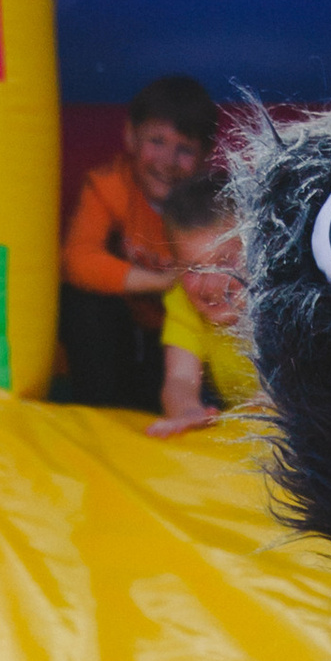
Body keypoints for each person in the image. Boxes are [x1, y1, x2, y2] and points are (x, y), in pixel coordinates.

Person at [59, 74, 218, 410]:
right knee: (81, 300)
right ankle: (98, 411)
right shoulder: (110, 186)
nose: (168, 161)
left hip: (182, 338)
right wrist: (161, 281)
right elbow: (77, 259)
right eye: (156, 141)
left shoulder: (207, 207)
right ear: (130, 136)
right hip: (123, 328)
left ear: (204, 156)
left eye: (185, 149)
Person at [149, 170, 255, 439]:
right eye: (194, 269)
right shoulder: (183, 301)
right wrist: (187, 411)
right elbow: (180, 379)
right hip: (238, 413)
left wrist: (261, 409)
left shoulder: (280, 296)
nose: (211, 285)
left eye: (226, 262)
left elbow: (299, 385)